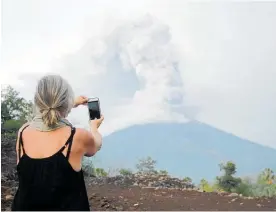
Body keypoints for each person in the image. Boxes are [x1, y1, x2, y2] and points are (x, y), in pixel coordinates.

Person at [11, 75, 104, 211]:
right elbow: (96, 145)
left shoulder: (23, 132)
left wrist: (71, 104)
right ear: (64, 102)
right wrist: (94, 127)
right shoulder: (76, 136)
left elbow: (45, 116)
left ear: (38, 101)